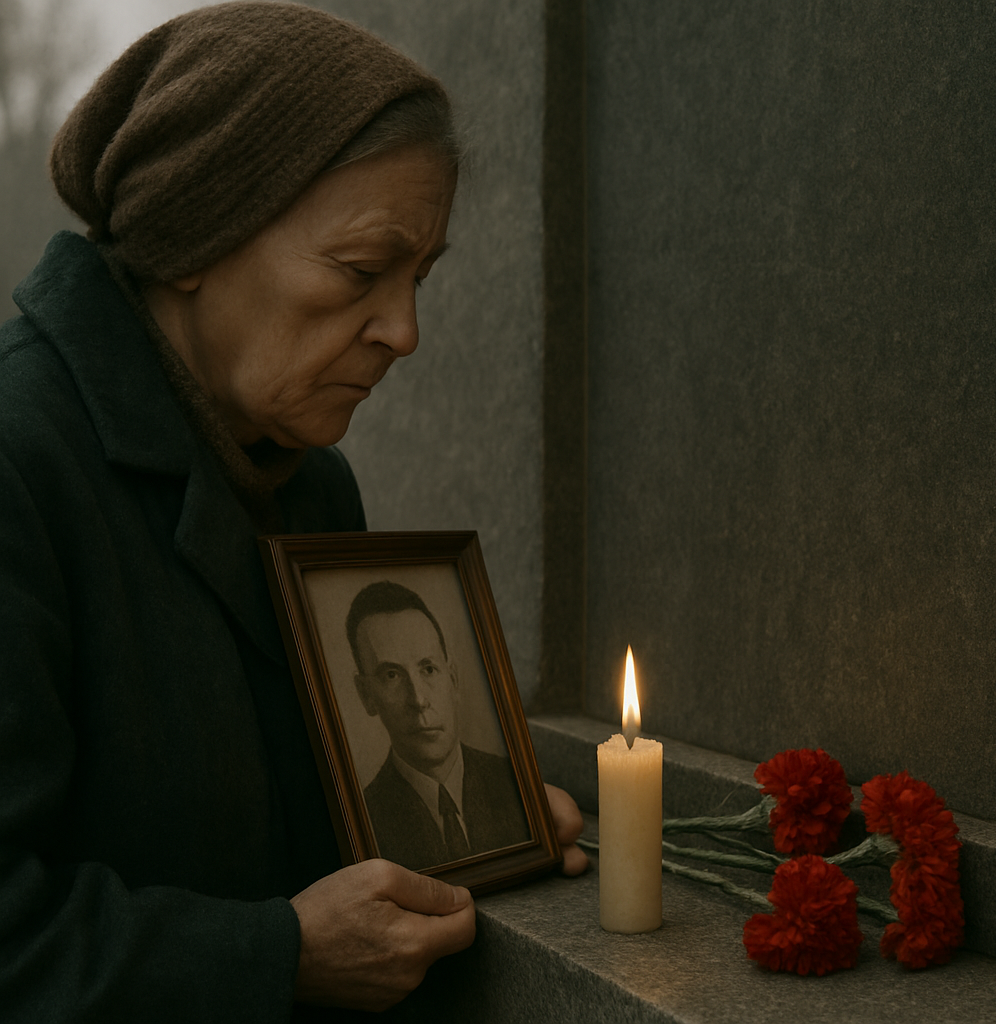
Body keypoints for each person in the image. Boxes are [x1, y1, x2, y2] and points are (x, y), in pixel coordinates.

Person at [0, 4, 585, 1021]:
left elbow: (302, 813)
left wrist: (472, 834)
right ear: (193, 234)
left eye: (419, 278)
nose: (403, 331)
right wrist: (276, 955)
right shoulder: (20, 464)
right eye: (361, 271)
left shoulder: (310, 483)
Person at [347, 580, 531, 869]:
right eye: (392, 675)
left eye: (428, 669)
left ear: (453, 679)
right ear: (366, 695)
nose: (418, 700)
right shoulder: (363, 821)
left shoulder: (513, 783)